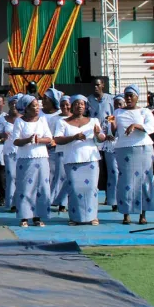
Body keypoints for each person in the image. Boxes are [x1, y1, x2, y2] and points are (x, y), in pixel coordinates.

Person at [54, 95, 107, 226]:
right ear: (72, 106)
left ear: (85, 106)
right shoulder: (62, 122)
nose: (80, 106)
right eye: (77, 103)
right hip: (72, 160)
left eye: (82, 104)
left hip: (91, 159)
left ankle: (92, 216)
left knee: (91, 188)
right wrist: (74, 137)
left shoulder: (93, 121)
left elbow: (101, 138)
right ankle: (75, 217)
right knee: (75, 188)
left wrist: (97, 134)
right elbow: (58, 139)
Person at [112, 85, 154, 225]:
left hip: (143, 148)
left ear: (137, 97)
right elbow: (113, 131)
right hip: (124, 149)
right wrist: (112, 125)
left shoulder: (145, 111)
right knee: (126, 181)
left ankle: (142, 214)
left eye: (132, 95)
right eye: (127, 95)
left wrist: (135, 125)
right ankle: (126, 213)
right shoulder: (117, 112)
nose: (129, 98)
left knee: (143, 181)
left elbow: (151, 127)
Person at [12, 95, 54, 227]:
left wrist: (39, 140)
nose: (37, 108)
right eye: (33, 106)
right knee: (25, 187)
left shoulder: (42, 120)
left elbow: (49, 138)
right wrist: (28, 140)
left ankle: (38, 216)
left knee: (42, 187)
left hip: (41, 158)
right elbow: (16, 140)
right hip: (25, 158)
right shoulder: (20, 122)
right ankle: (24, 217)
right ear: (26, 108)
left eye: (37, 105)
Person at [87, 79, 117, 210]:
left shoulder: (110, 99)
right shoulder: (88, 100)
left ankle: (113, 199)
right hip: (95, 138)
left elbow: (112, 116)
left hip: (109, 139)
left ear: (103, 85)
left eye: (98, 84)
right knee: (95, 170)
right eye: (94, 84)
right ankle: (92, 199)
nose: (95, 87)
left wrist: (111, 131)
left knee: (113, 169)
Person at [41, 88, 68, 213]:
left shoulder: (60, 116)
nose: (43, 100)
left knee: (61, 176)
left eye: (46, 98)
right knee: (47, 176)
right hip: (43, 149)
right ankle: (47, 200)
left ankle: (62, 202)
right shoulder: (39, 114)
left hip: (58, 149)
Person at [0, 94, 21, 212]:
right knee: (11, 176)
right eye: (12, 103)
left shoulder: (24, 118)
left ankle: (20, 202)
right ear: (9, 105)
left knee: (21, 178)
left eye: (16, 103)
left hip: (22, 151)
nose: (14, 106)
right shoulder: (2, 119)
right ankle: (11, 203)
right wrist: (2, 135)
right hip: (9, 151)